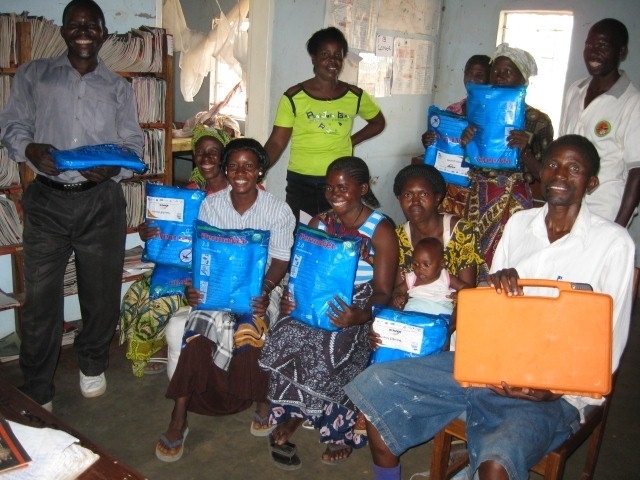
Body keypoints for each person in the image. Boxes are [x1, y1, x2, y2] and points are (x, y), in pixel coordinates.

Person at [344, 134, 634, 480]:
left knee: (497, 462)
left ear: (592, 182)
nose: (559, 174)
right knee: (377, 386)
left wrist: (554, 389)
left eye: (574, 169)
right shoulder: (520, 224)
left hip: (556, 388)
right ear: (540, 171)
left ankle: (479, 462)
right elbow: (489, 309)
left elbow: (608, 340)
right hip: (493, 364)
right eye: (552, 164)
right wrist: (493, 298)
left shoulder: (612, 243)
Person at [0, 0, 144, 409]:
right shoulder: (34, 74)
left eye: (91, 25)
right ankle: (38, 386)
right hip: (47, 201)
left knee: (101, 295)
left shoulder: (118, 88)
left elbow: (133, 143)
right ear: (63, 30)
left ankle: (92, 363)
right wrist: (29, 148)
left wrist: (114, 168)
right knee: (41, 299)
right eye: (75, 24)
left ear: (103, 32)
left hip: (101, 203)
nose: (83, 32)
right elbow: (12, 124)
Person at [155, 137, 296, 462]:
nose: (240, 172)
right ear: (225, 169)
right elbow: (203, 254)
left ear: (260, 170)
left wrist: (266, 290)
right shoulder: (211, 205)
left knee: (252, 327)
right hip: (217, 287)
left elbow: (280, 260)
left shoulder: (278, 210)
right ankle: (179, 417)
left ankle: (262, 398)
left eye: (248, 166)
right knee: (196, 330)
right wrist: (194, 287)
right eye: (233, 166)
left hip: (261, 289)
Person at [259, 156, 398, 469]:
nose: (335, 193)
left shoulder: (380, 230)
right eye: (330, 187)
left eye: (343, 187)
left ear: (363, 189)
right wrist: (290, 298)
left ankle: (338, 428)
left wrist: (359, 316)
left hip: (358, 303)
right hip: (314, 297)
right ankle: (295, 412)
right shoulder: (318, 223)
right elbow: (300, 272)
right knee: (285, 332)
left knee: (331, 344)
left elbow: (384, 292)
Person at [119, 125, 232, 377]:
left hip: (216, 275)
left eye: (213, 152)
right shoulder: (189, 191)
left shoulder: (238, 192)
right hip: (181, 266)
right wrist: (148, 232)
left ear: (224, 156)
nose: (206, 158)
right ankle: (153, 347)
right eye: (200, 152)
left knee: (159, 303)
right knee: (137, 293)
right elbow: (170, 231)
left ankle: (158, 347)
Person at [264, 27, 386, 221]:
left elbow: (378, 122)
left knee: (338, 233)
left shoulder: (355, 95)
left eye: (338, 55)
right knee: (302, 234)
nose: (333, 61)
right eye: (325, 55)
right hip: (302, 183)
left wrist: (351, 141)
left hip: (341, 182)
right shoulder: (294, 97)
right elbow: (277, 142)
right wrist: (258, 168)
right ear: (313, 58)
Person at [462, 43, 554, 268]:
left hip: (514, 202)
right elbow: (467, 161)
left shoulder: (538, 121)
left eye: (507, 72)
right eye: (496, 70)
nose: (499, 76)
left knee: (506, 260)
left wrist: (525, 150)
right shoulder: (477, 111)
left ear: (523, 80)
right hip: (478, 197)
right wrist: (465, 142)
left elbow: (546, 176)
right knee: (472, 259)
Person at [559, 18, 640, 265]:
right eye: (589, 45)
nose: (593, 52)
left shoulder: (632, 102)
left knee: (590, 275)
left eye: (603, 46)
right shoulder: (575, 91)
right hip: (567, 207)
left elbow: (637, 171)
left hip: (604, 210)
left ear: (621, 52)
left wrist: (618, 228)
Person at [393, 164, 484, 302]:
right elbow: (399, 291)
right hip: (414, 307)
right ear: (399, 199)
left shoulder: (460, 231)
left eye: (423, 194)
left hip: (451, 308)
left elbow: (467, 293)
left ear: (437, 198)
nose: (415, 201)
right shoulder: (399, 236)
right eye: (408, 195)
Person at [420, 54, 491, 217]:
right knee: (448, 227)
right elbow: (442, 145)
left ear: (490, 78)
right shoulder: (452, 110)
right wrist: (429, 142)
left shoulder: (493, 116)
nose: (471, 80)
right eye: (468, 74)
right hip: (450, 187)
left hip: (479, 190)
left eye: (479, 75)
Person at [395, 237, 468, 316]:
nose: (420, 269)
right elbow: (398, 289)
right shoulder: (412, 278)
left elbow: (465, 287)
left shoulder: (446, 278)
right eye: (415, 264)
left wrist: (459, 294)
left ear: (442, 264)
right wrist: (397, 296)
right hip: (415, 312)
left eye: (426, 265)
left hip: (441, 314)